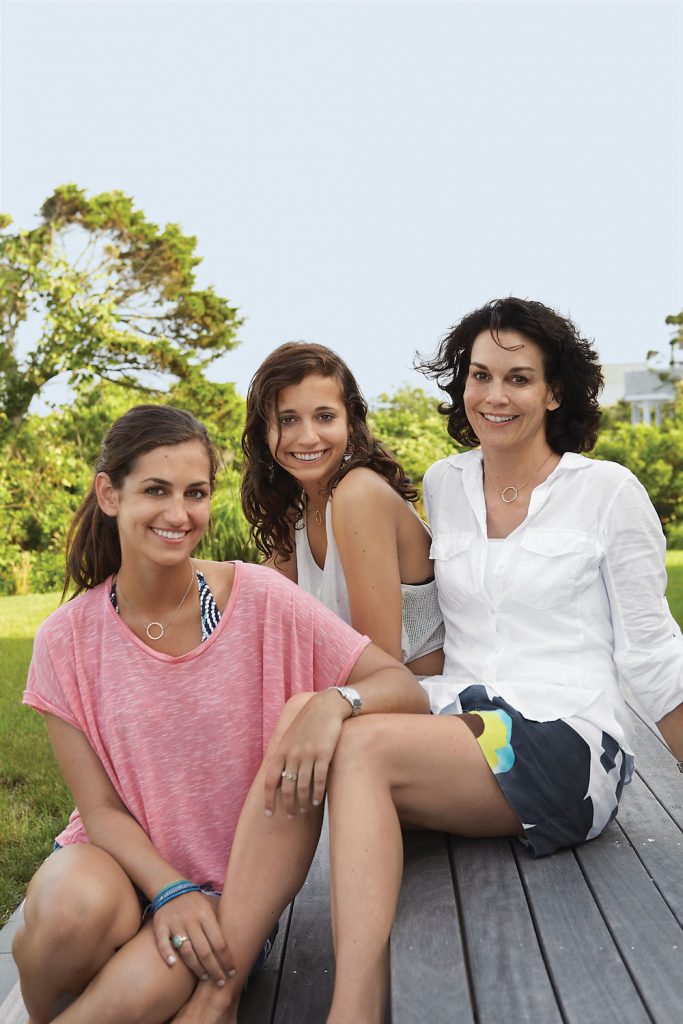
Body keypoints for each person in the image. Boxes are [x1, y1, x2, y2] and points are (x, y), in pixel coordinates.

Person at [318, 297, 683, 1024]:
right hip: (462, 717)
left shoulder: (606, 493)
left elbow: (652, 654)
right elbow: (427, 619)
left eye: (518, 378)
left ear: (554, 392)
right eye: (479, 376)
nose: (494, 395)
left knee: (357, 747)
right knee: (315, 735)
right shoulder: (445, 484)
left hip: (567, 736)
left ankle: (352, 1011)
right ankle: (222, 964)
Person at [12, 404, 428, 1024]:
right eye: (156, 490)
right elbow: (98, 810)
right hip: (115, 869)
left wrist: (334, 702)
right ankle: (40, 1002)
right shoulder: (63, 639)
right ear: (109, 494)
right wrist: (168, 888)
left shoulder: (261, 600)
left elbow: (400, 685)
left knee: (142, 993)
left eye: (196, 493)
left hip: (225, 898)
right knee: (67, 913)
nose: (179, 514)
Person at [241, 341, 444, 674]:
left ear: (349, 422)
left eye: (324, 417)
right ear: (265, 432)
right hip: (357, 690)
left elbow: (381, 665)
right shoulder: (297, 507)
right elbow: (255, 607)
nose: (308, 437)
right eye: (288, 419)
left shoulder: (358, 494)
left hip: (421, 694)